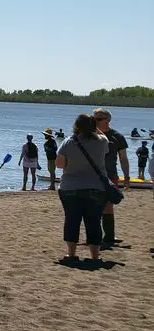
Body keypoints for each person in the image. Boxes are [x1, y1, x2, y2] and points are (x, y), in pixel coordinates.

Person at [55, 113, 110, 266]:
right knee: (93, 221)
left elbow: (59, 165)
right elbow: (101, 138)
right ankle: (95, 255)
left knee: (72, 220)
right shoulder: (102, 141)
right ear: (94, 126)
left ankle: (71, 254)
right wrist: (96, 128)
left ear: (76, 126)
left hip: (70, 187)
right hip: (96, 187)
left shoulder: (68, 142)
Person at [93, 108, 128, 249]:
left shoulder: (117, 136)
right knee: (93, 207)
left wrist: (126, 177)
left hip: (110, 175)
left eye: (98, 119)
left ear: (107, 120)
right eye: (94, 119)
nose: (95, 121)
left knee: (108, 206)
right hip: (92, 176)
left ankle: (109, 236)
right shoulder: (89, 136)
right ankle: (95, 235)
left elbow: (123, 159)